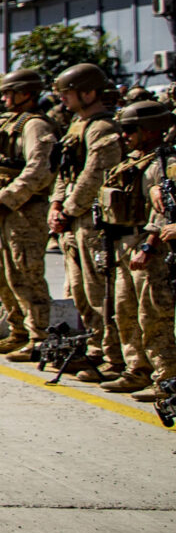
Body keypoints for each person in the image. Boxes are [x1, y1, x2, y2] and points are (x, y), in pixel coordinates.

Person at [50, 64, 123, 382]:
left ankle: (115, 357)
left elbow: (92, 176)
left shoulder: (103, 128)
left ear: (89, 93)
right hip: (74, 219)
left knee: (99, 292)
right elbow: (66, 174)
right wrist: (56, 205)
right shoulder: (77, 126)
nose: (63, 100)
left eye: (67, 93)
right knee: (78, 290)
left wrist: (67, 209)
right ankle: (95, 348)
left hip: (93, 221)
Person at [0, 69, 57, 360]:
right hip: (4, 211)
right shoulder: (11, 123)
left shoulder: (36, 125)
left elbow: (39, 168)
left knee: (28, 274)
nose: (4, 98)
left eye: (11, 93)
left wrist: (5, 196)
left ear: (27, 93)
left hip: (25, 211)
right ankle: (19, 331)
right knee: (7, 274)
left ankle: (39, 337)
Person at [105, 98, 173, 399]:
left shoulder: (163, 164)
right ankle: (137, 369)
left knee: (153, 317)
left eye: (130, 130)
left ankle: (166, 378)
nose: (124, 135)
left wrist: (148, 245)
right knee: (125, 311)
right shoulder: (134, 159)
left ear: (149, 130)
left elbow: (163, 212)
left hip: (149, 249)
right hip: (125, 244)